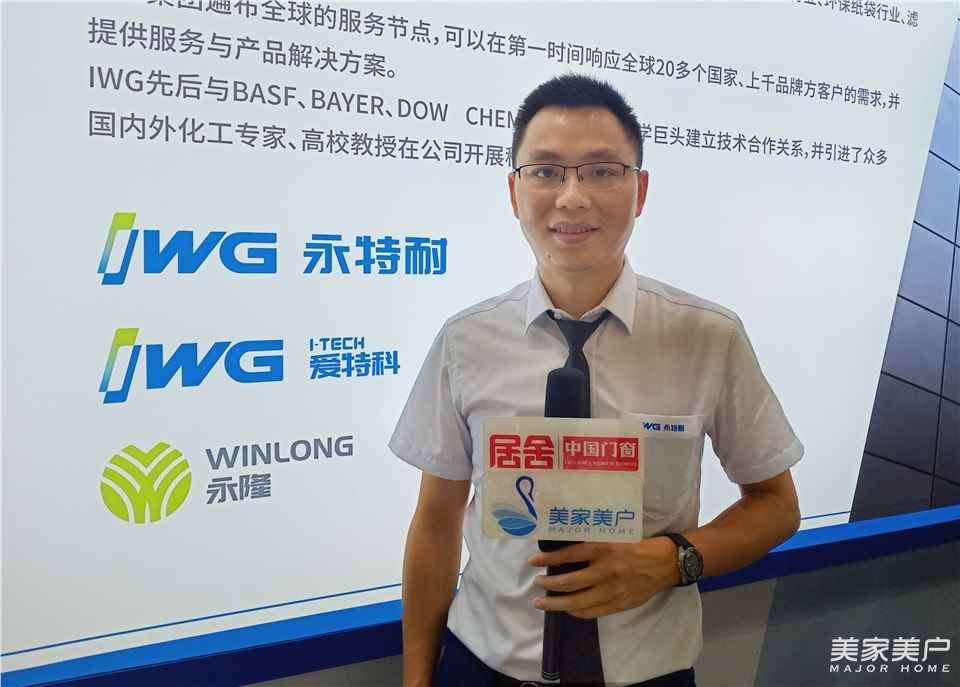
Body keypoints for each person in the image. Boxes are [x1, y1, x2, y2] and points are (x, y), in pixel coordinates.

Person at [389, 73, 803, 687]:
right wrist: (417, 680)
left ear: (640, 191)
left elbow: (776, 506)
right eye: (546, 171)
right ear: (514, 191)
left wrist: (671, 561)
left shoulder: (708, 336)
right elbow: (436, 522)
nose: (572, 197)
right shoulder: (466, 341)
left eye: (602, 171)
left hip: (648, 677)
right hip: (483, 669)